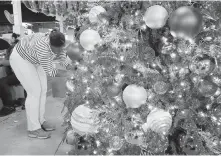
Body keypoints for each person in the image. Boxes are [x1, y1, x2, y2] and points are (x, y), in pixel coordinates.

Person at [9, 29, 71, 139]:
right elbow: (51, 72)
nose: (60, 50)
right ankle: (33, 129)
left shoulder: (58, 43)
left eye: (62, 47)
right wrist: (68, 73)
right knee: (34, 92)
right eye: (57, 49)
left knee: (43, 89)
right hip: (21, 58)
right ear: (50, 45)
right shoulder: (42, 47)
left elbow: (62, 56)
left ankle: (40, 121)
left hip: (34, 59)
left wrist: (71, 67)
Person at [0, 33, 25, 117]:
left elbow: (12, 61)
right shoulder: (16, 47)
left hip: (23, 74)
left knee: (2, 82)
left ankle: (9, 106)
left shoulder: (14, 48)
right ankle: (17, 101)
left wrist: (2, 62)